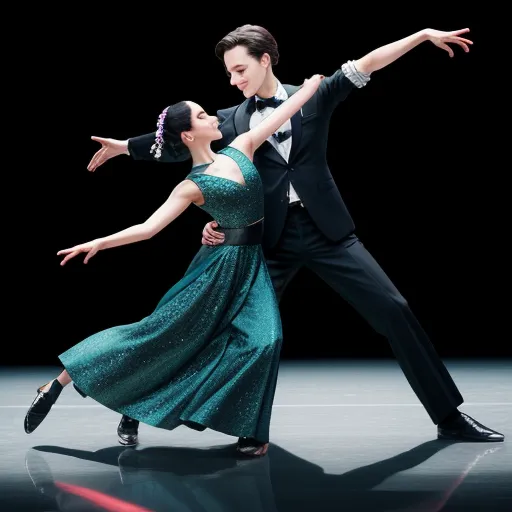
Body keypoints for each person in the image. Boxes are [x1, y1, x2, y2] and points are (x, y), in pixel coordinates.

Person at [85, 25, 505, 450]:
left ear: (265, 59)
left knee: (395, 309)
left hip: (328, 233)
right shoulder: (228, 121)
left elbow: (369, 62)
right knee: (217, 330)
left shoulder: (314, 95)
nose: (234, 80)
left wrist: (420, 37)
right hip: (265, 243)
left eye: (240, 69)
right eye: (230, 73)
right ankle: (149, 409)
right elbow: (179, 141)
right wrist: (125, 146)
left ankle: (448, 417)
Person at [23, 73, 326, 457]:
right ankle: (57, 385)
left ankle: (243, 427)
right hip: (215, 271)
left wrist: (314, 83)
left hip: (251, 268)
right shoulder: (190, 185)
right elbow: (148, 229)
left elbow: (286, 107)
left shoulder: (243, 146)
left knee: (265, 341)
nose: (214, 118)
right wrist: (100, 242)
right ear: (188, 135)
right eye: (203, 116)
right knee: (156, 337)